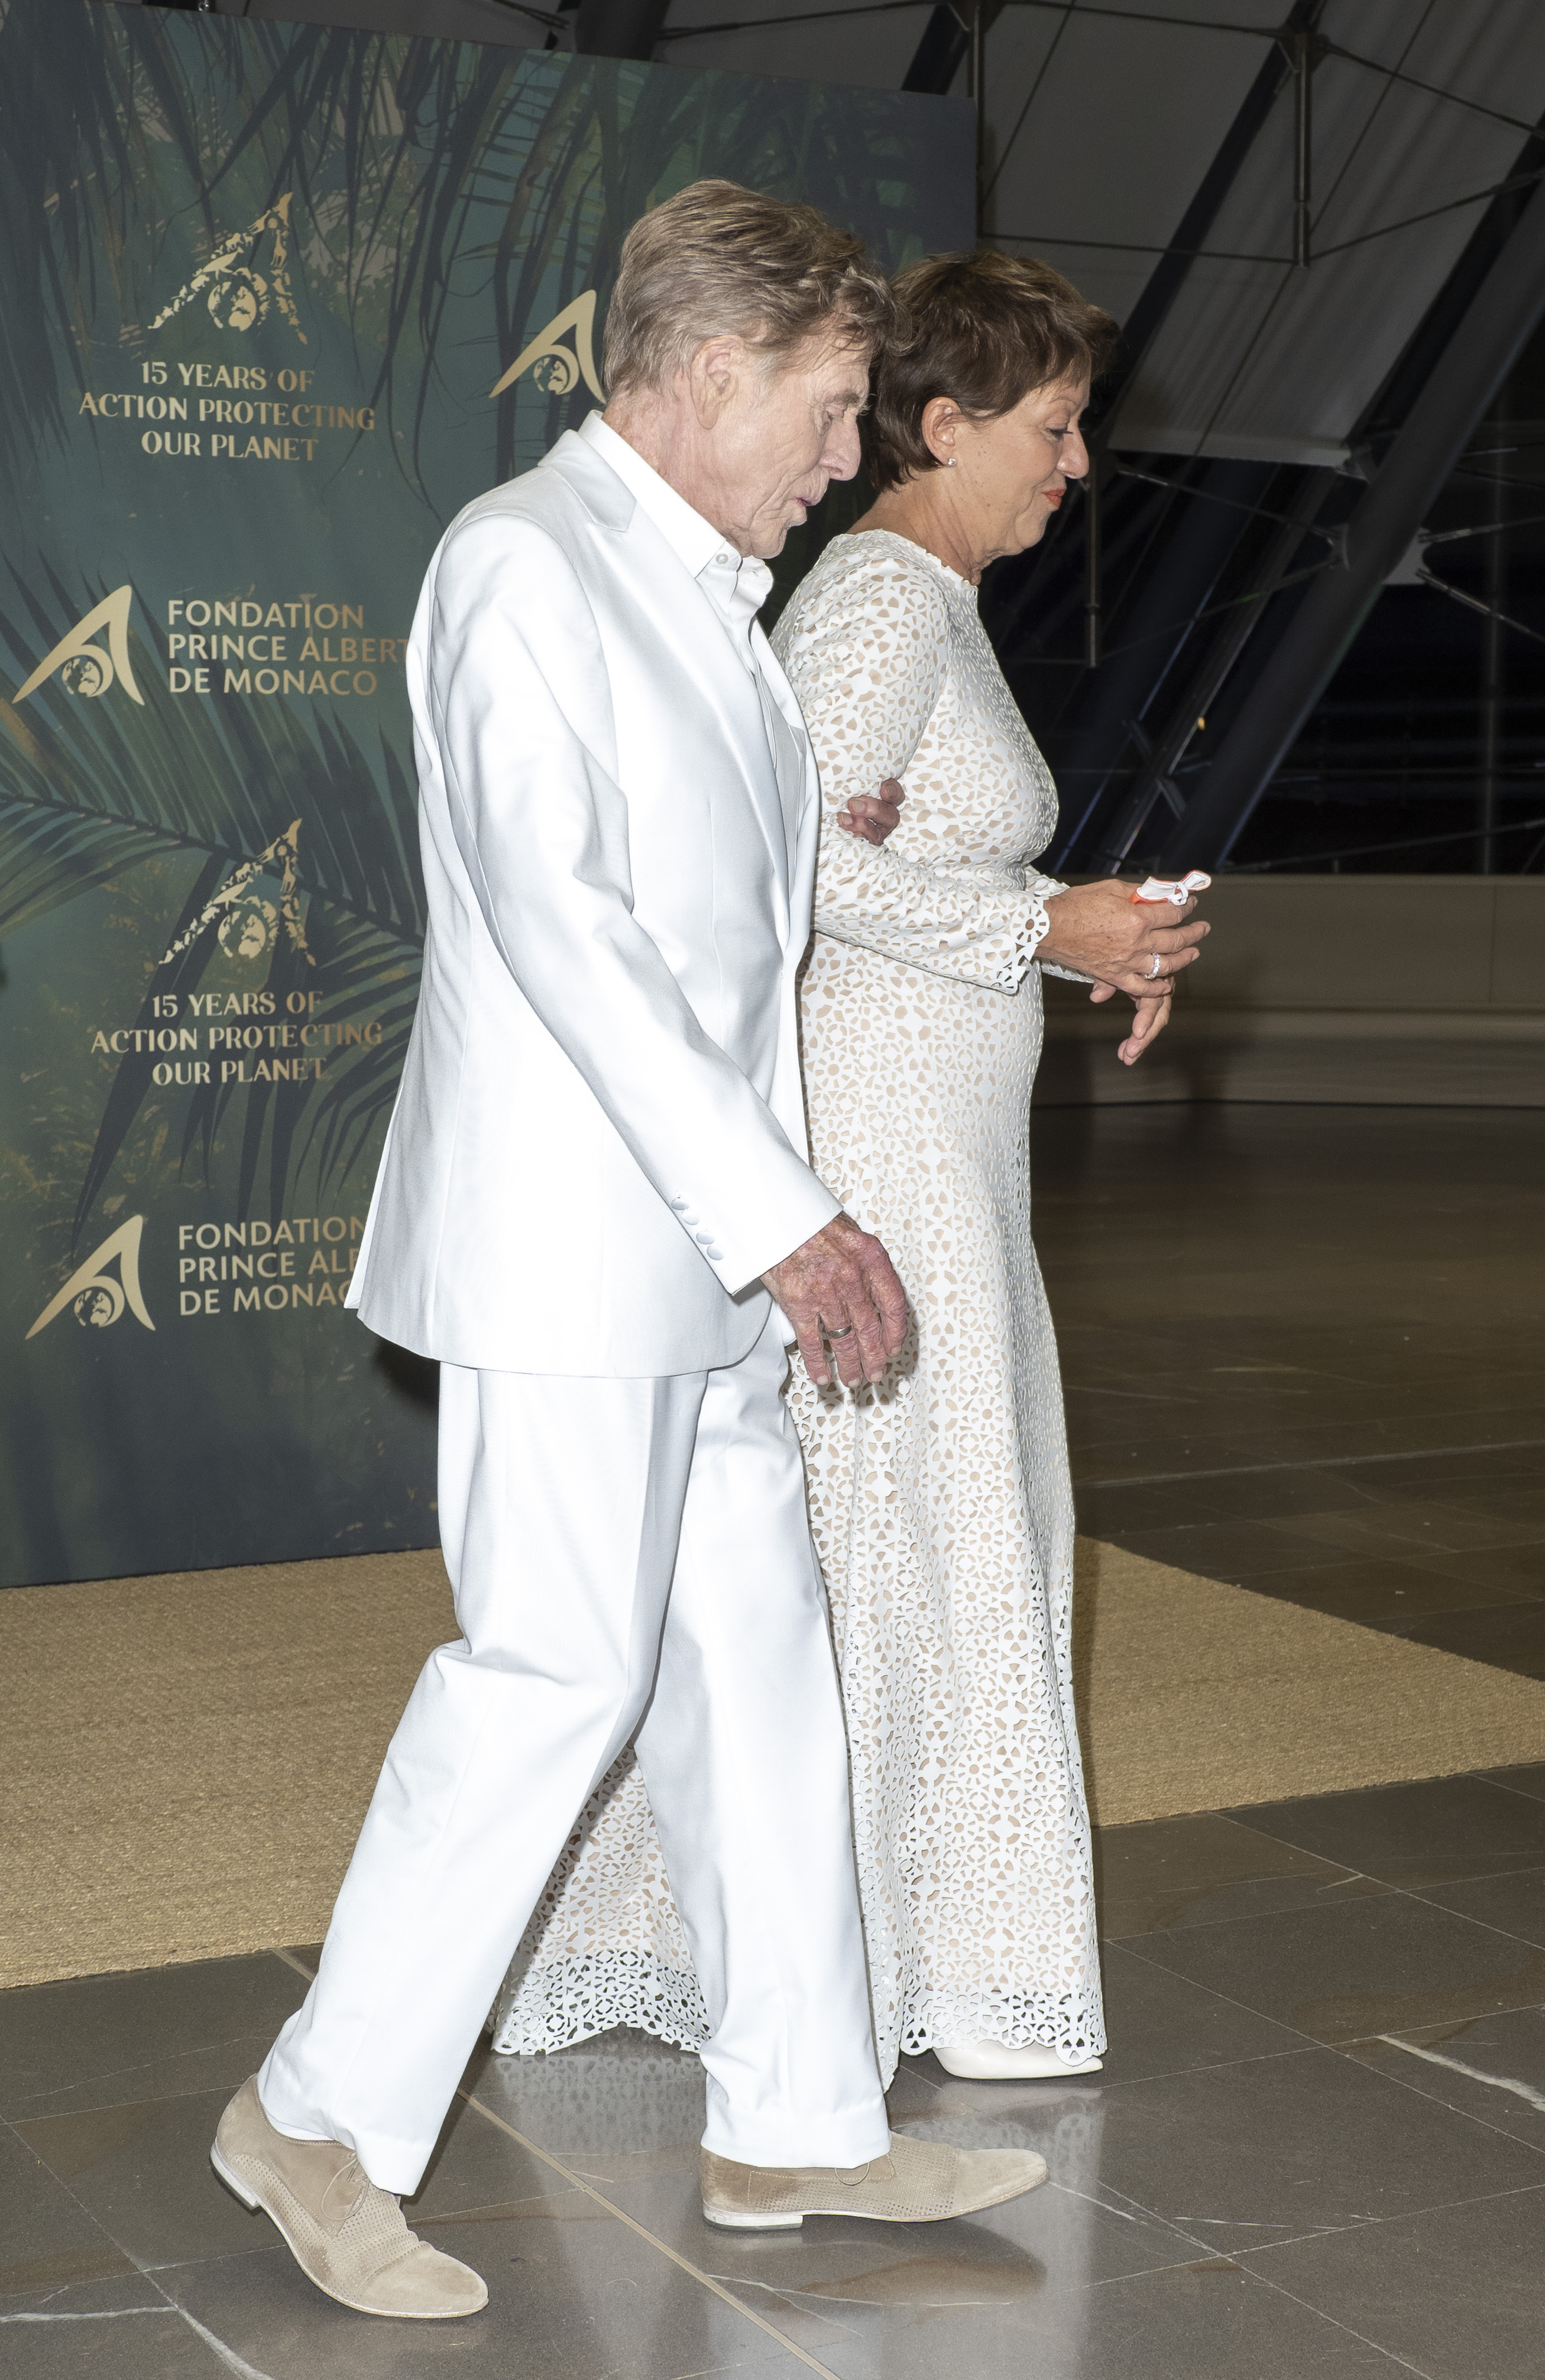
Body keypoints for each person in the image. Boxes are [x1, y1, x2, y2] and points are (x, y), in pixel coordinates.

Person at [206, 186, 1048, 2324]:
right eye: (831, 406)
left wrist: (768, 1220)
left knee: (761, 1675)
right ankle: (316, 2113)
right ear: (703, 376)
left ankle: (797, 2114)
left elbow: (727, 923)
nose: (847, 455)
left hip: (699, 1261)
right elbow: (566, 928)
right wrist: (787, 1220)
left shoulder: (704, 597)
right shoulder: (520, 565)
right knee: (554, 1672)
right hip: (572, 1251)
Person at [493, 251, 1207, 2089]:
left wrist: (1090, 943)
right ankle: (869, 1966)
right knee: (905, 1536)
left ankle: (897, 1960)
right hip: (877, 1146)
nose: (1075, 467)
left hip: (942, 1139)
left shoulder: (931, 606)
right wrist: (1052, 925)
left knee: (928, 1535)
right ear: (944, 424)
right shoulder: (883, 600)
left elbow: (857, 861)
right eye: (1051, 430)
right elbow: (792, 878)